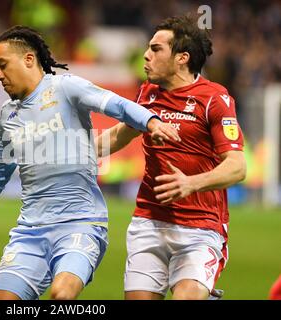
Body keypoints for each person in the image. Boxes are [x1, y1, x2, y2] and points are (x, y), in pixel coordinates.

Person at [0, 25, 179, 300]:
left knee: (61, 296)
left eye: (2, 65)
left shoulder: (66, 88)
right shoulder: (7, 117)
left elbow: (118, 106)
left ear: (28, 59)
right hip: (29, 232)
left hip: (81, 225)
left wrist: (151, 122)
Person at [96, 15, 246, 300]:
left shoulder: (215, 98)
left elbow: (237, 168)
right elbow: (118, 136)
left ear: (182, 58)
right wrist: (67, 154)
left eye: (156, 49)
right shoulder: (147, 94)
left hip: (201, 227)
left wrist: (191, 183)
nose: (145, 55)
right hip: (149, 222)